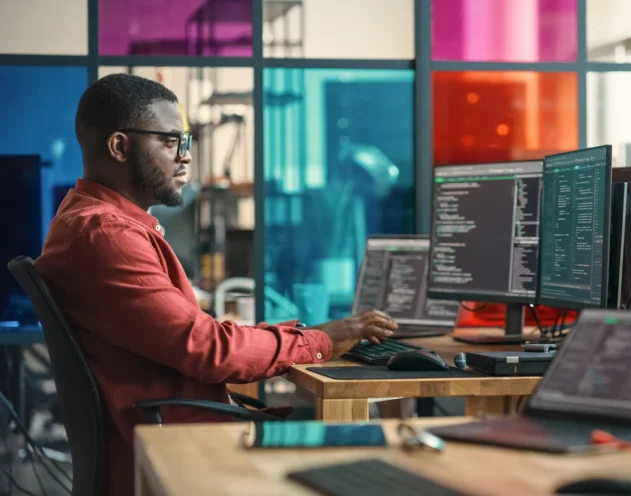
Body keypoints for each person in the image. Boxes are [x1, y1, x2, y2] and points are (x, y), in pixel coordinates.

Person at [35, 73, 398, 496]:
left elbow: (200, 338)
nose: (185, 158)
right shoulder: (107, 235)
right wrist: (319, 341)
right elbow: (208, 350)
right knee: (371, 449)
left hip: (165, 434)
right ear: (119, 146)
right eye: (171, 142)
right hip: (174, 450)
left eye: (185, 143)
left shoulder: (88, 222)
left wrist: (305, 335)